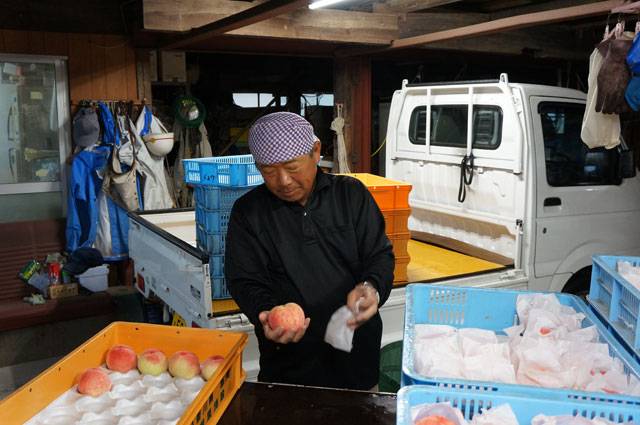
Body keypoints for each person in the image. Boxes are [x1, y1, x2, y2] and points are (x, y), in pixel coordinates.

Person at [225, 111, 395, 390]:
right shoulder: (249, 212)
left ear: (316, 152)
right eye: (268, 171)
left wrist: (371, 287)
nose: (283, 181)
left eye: (292, 167)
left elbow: (380, 255)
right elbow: (245, 280)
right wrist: (265, 312)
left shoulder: (351, 195)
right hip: (287, 369)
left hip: (356, 363)